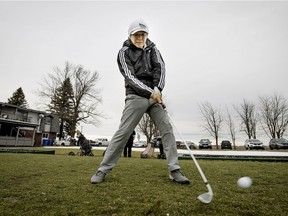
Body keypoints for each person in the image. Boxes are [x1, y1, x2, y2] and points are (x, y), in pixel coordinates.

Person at [90, 19, 190, 185]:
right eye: (136, 34)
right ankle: (102, 169)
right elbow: (130, 77)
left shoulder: (153, 50)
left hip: (154, 96)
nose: (139, 38)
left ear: (146, 35)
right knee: (123, 133)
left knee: (167, 129)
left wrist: (158, 89)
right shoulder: (123, 52)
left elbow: (161, 69)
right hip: (135, 96)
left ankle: (174, 169)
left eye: (142, 34)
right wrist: (151, 92)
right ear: (130, 35)